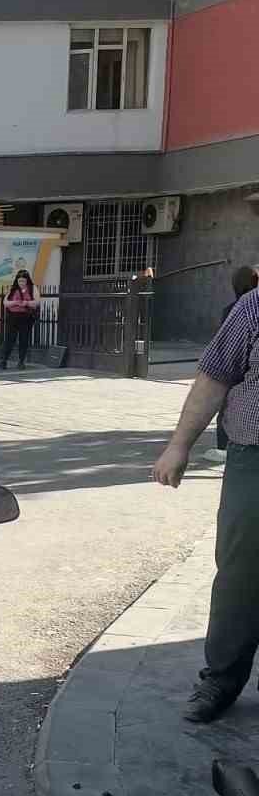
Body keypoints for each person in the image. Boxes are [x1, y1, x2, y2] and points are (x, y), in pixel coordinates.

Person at [153, 280, 259, 724]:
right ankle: (221, 678)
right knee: (240, 575)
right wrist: (179, 446)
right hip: (254, 461)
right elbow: (214, 378)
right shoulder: (254, 307)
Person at [216, 266, 259, 449]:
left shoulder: (230, 309)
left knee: (226, 406)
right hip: (244, 370)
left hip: (234, 368)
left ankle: (222, 445)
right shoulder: (249, 307)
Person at [0, 270, 39, 370]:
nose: (21, 283)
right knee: (9, 339)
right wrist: (15, 302)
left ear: (27, 280)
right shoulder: (13, 289)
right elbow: (5, 302)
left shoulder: (32, 288)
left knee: (23, 339)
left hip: (26, 317)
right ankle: (4, 360)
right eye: (19, 281)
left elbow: (36, 302)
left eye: (23, 281)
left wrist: (26, 303)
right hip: (13, 317)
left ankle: (21, 361)